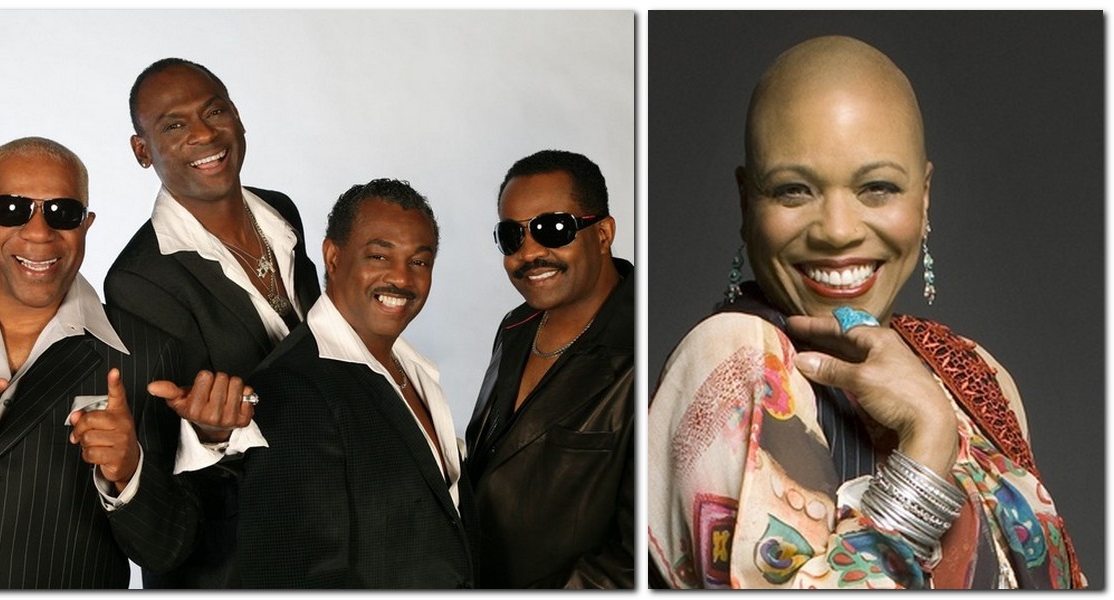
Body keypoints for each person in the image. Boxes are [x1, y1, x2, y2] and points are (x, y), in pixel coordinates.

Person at [647, 35, 1086, 589]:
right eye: (793, 190)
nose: (837, 230)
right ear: (746, 202)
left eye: (877, 188)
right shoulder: (733, 361)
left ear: (923, 197)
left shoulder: (974, 374)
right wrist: (926, 446)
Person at [105, 57, 322, 588]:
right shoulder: (137, 281)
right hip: (233, 556)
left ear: (238, 117)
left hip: (324, 523)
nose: (204, 133)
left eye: (215, 111)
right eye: (174, 125)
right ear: (142, 150)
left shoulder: (281, 212)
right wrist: (208, 432)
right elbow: (156, 454)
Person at [0, 137, 215, 588]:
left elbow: (168, 551)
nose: (39, 233)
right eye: (12, 210)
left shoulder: (147, 356)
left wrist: (129, 472)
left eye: (62, 212)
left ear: (86, 226)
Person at [239, 179, 473, 588]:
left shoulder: (412, 368)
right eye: (379, 256)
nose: (401, 278)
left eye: (419, 262)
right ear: (333, 257)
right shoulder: (293, 390)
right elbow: (298, 578)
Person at [464, 150, 633, 588]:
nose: (529, 253)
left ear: (603, 234)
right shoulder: (516, 327)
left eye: (553, 229)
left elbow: (637, 558)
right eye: (511, 236)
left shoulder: (641, 350)